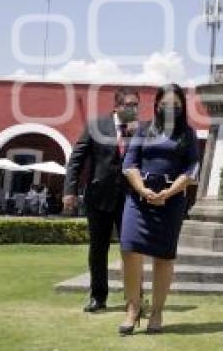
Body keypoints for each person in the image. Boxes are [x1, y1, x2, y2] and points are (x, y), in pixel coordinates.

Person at [118, 83, 199, 336]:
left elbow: (192, 168)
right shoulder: (143, 130)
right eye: (165, 105)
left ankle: (157, 312)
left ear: (182, 107)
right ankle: (133, 308)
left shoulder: (188, 134)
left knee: (164, 258)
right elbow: (130, 164)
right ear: (157, 105)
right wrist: (142, 190)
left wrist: (169, 192)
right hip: (138, 199)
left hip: (171, 199)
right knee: (129, 250)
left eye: (175, 105)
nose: (170, 109)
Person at [63, 86, 142, 314]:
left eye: (136, 105)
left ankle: (135, 299)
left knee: (132, 250)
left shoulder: (141, 130)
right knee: (98, 249)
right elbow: (76, 159)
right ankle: (98, 296)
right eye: (129, 104)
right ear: (117, 106)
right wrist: (70, 191)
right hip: (99, 198)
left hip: (130, 199)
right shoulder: (96, 126)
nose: (134, 109)